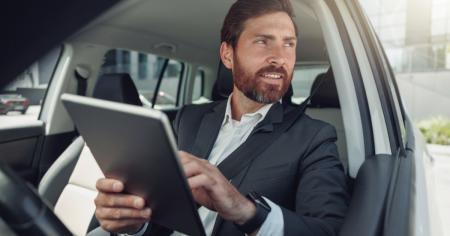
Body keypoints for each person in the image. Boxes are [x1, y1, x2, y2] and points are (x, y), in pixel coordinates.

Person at [94, 0, 350, 235]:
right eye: (263, 41)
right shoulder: (188, 118)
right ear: (228, 55)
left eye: (289, 44)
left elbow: (327, 230)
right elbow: (158, 209)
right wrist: (134, 223)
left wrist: (245, 210)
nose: (280, 57)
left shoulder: (315, 137)